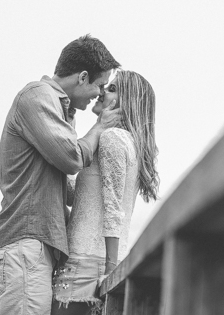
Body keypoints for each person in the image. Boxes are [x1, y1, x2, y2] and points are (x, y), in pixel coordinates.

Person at [0, 35, 121, 315]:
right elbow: (71, 158)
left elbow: (66, 189)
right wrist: (99, 127)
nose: (99, 93)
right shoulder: (37, 96)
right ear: (83, 77)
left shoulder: (60, 110)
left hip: (32, 248)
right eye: (99, 84)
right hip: (22, 245)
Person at [52, 70, 159, 315]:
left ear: (127, 102)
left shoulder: (112, 139)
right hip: (94, 260)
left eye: (111, 89)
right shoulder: (119, 140)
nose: (101, 92)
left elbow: (113, 208)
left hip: (88, 264)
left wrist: (109, 271)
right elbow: (76, 197)